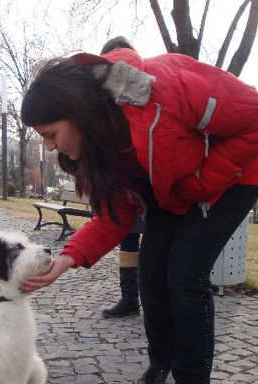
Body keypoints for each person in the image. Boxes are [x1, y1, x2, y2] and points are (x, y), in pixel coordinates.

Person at [20, 47, 258, 384]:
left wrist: (203, 182)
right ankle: (162, 361)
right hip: (175, 192)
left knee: (184, 276)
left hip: (232, 179)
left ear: (77, 112)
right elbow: (113, 218)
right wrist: (65, 261)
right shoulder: (101, 146)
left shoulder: (164, 89)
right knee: (151, 273)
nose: (51, 146)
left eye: (51, 134)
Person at [98, 37, 142, 320]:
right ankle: (130, 298)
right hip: (126, 179)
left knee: (159, 241)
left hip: (149, 175)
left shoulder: (141, 87)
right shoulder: (104, 97)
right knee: (128, 239)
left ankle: (154, 298)